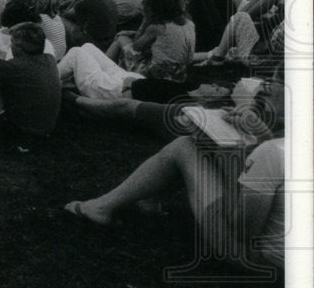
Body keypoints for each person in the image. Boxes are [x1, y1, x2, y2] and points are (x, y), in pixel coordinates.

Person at [65, 79, 285, 269]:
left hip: (253, 257)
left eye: (272, 84)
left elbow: (241, 229)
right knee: (196, 145)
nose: (263, 89)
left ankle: (101, 207)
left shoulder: (272, 152)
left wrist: (226, 152)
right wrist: (260, 137)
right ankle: (146, 200)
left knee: (185, 146)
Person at [0, 22, 62, 138]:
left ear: (19, 48)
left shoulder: (16, 67)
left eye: (11, 43)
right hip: (46, 125)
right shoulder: (49, 59)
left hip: (23, 130)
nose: (10, 46)